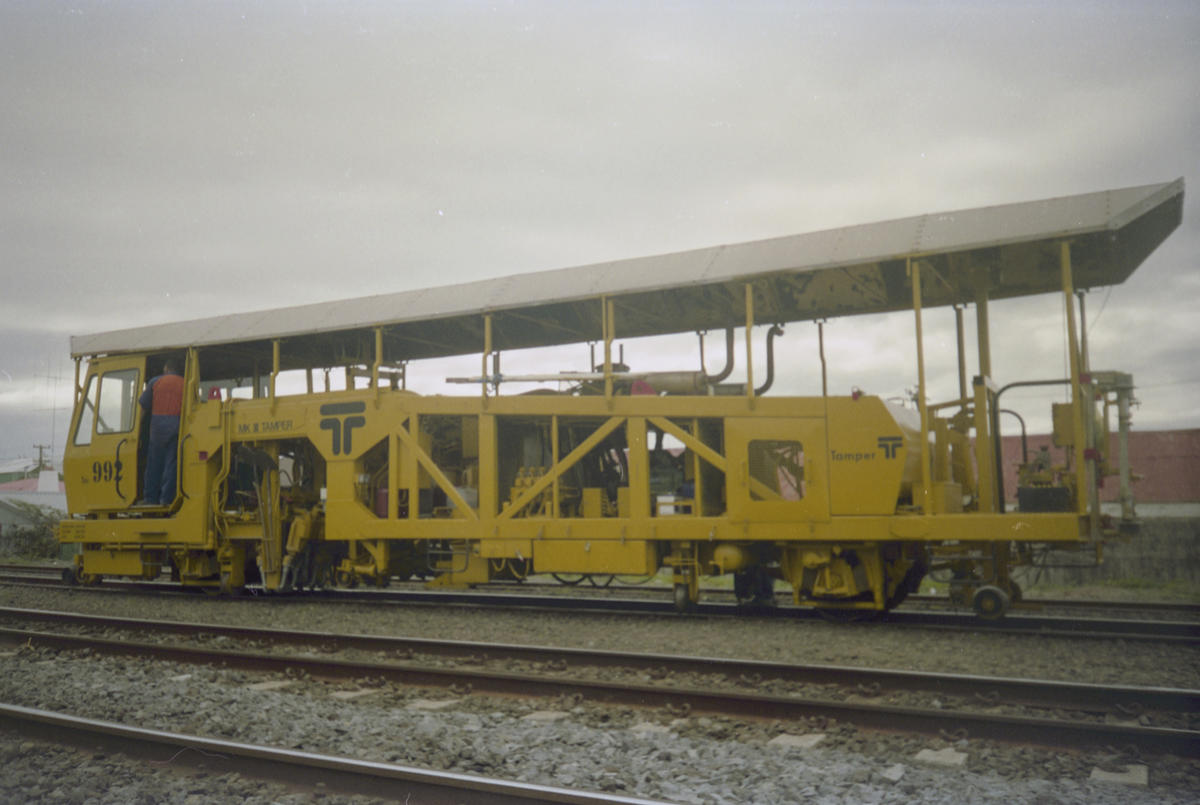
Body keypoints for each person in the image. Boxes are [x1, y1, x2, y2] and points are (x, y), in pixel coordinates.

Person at [139, 359, 184, 505]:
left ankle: (150, 499)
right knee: (171, 465)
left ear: (166, 368)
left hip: (157, 428)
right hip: (176, 426)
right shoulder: (184, 383)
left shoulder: (154, 382)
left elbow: (143, 407)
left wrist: (138, 428)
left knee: (154, 464)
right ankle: (166, 499)